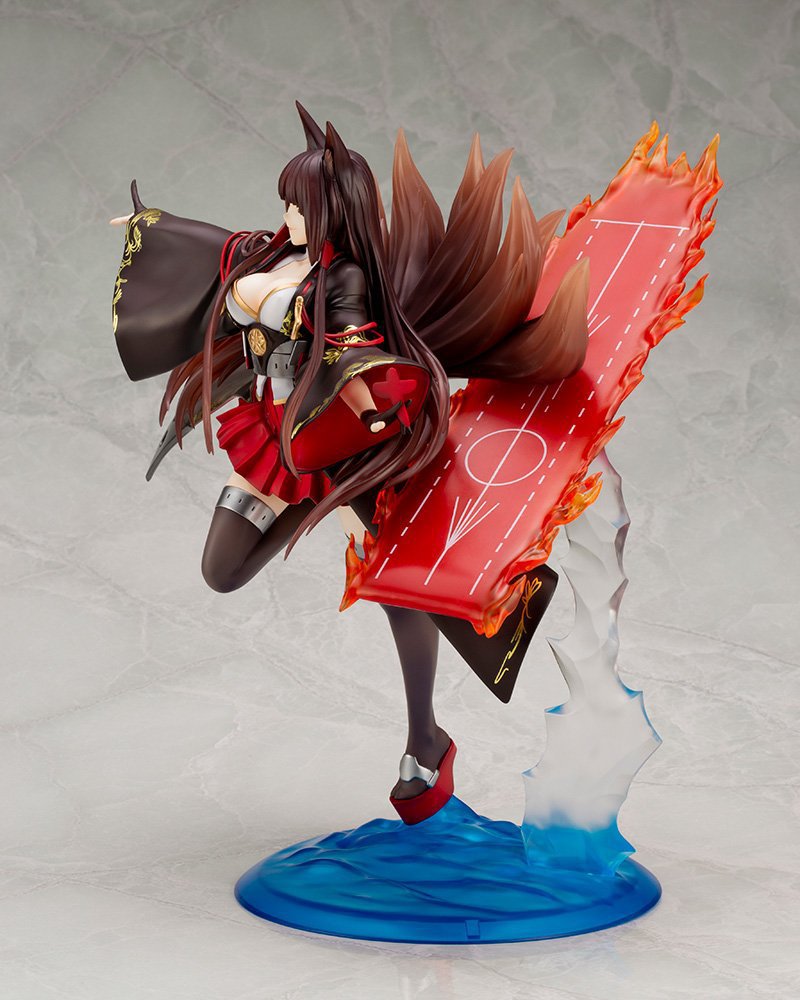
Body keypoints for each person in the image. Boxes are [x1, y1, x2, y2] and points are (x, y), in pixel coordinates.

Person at [110, 103, 588, 823]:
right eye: (286, 204)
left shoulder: (344, 280)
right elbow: (216, 247)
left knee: (400, 584)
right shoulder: (271, 254)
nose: (288, 218)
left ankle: (425, 741)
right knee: (222, 569)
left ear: (333, 211)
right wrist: (149, 232)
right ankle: (312, 505)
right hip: (274, 441)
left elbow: (355, 348)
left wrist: (368, 404)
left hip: (333, 443)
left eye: (299, 207)